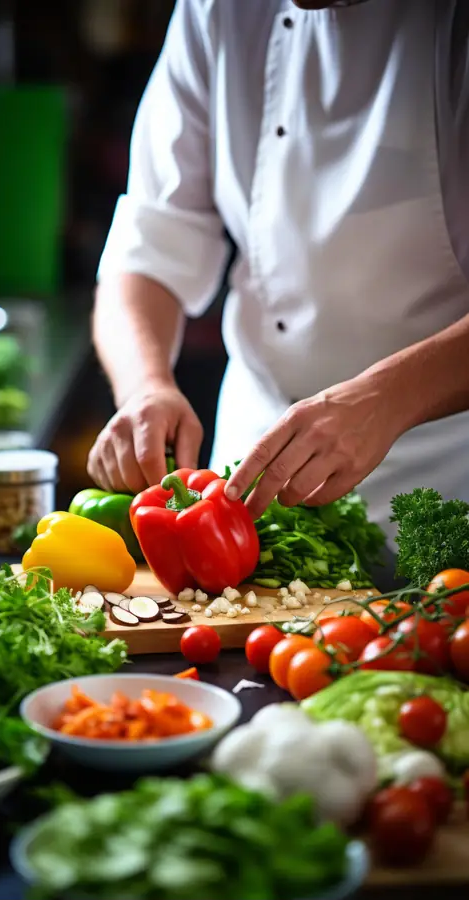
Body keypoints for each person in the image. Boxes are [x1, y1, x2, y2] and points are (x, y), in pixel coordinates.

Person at [88, 0, 469, 547]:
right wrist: (145, 386)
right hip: (250, 473)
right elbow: (147, 244)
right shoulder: (215, 11)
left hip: (445, 478)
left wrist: (388, 398)